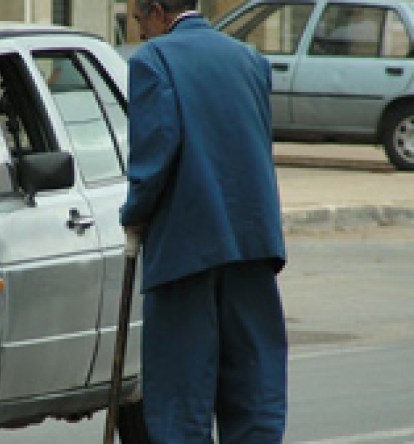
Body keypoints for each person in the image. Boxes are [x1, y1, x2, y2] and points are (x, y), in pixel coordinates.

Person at [120, 0, 288, 442]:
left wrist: (134, 214)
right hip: (252, 243)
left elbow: (154, 155)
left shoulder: (153, 60)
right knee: (253, 388)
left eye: (139, 21)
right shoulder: (249, 59)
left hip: (185, 248)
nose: (140, 33)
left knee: (180, 396)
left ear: (158, 11)